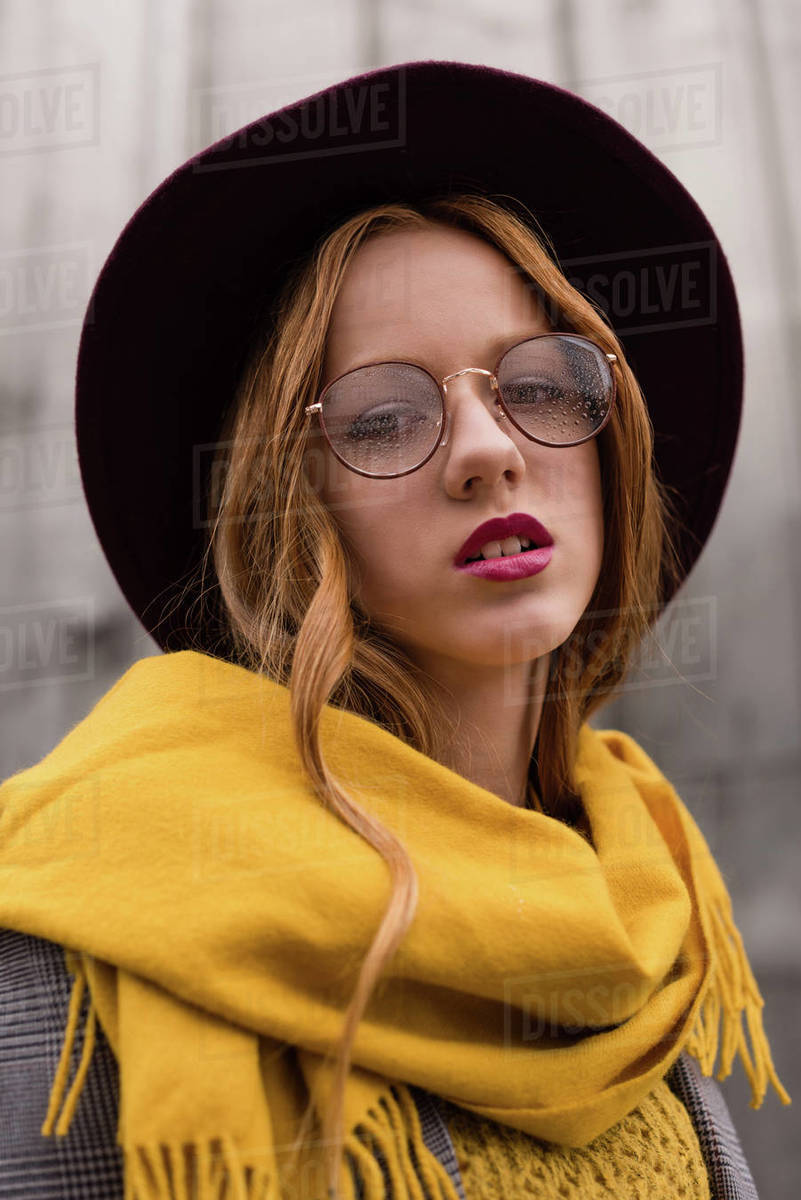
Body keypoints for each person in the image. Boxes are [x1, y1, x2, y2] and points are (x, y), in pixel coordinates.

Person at [0, 60, 791, 1200]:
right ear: (289, 505)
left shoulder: (634, 920)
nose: (487, 450)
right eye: (383, 417)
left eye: (542, 385)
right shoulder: (86, 924)